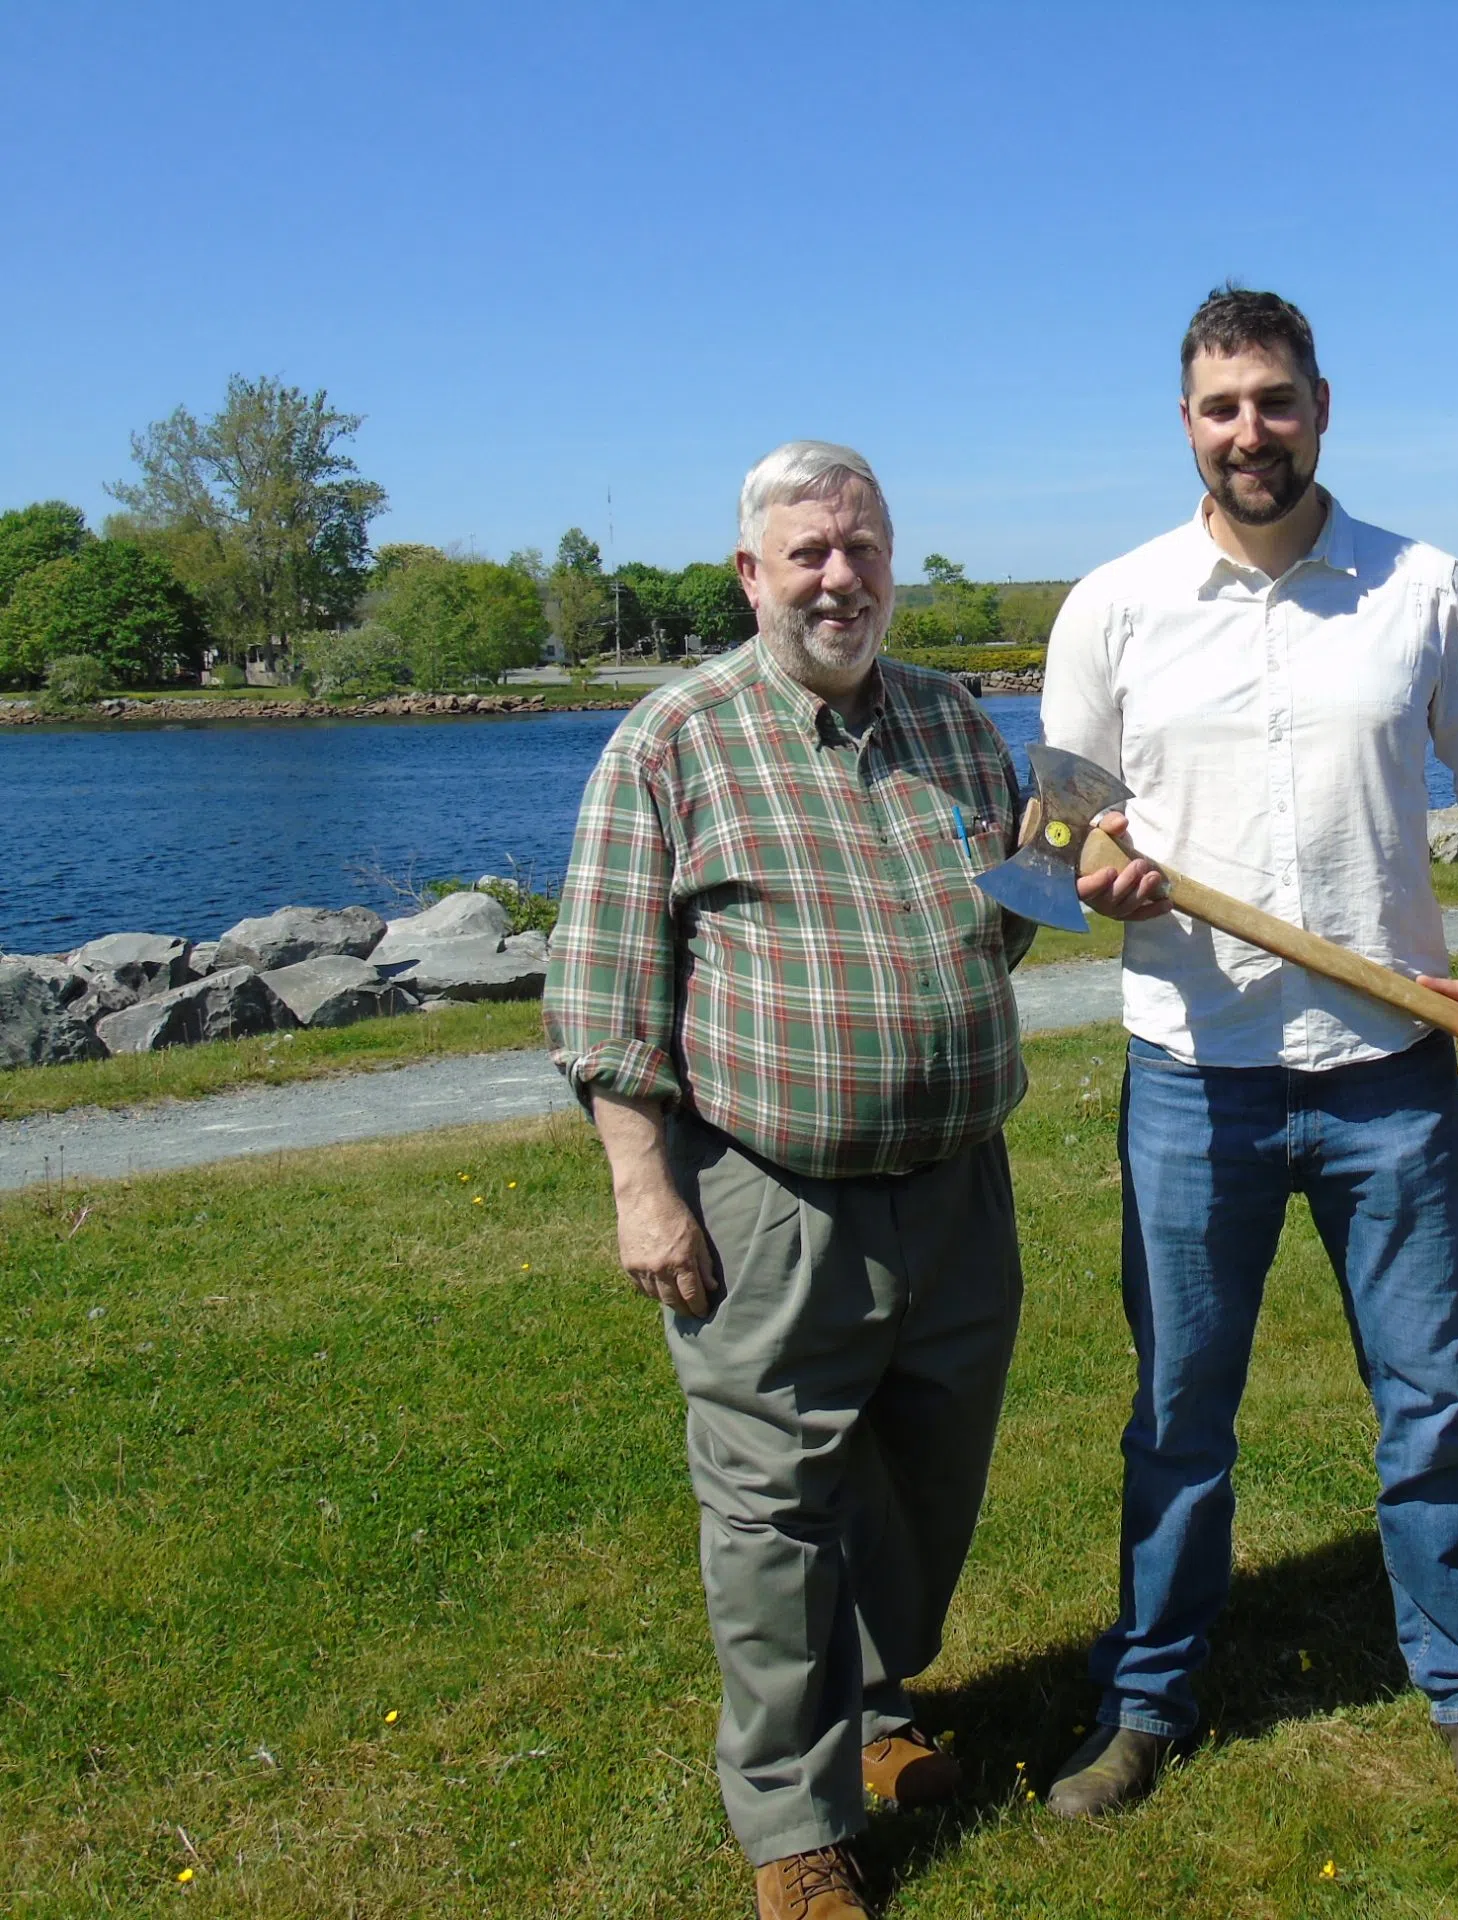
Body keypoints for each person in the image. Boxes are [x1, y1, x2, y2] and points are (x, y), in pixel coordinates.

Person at [1039, 285, 1458, 1823]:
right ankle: (1147, 1701)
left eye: (1273, 400)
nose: (1249, 432)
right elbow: (1061, 828)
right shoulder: (1113, 606)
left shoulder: (1425, 590)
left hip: (1389, 1066)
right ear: (1185, 424)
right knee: (1180, 1412)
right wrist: (1096, 863)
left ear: (1322, 406)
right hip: (1192, 1078)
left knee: (1432, 1402)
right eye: (1221, 407)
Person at [545, 440, 1038, 1920]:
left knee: (923, 1481)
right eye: (809, 552)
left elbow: (1002, 922)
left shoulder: (956, 723)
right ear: (751, 574)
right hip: (773, 1196)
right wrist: (647, 1188)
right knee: (776, 1510)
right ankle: (791, 1830)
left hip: (960, 1191)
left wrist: (1081, 870)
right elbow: (604, 995)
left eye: (865, 546)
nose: (842, 576)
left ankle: (877, 1718)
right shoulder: (671, 743)